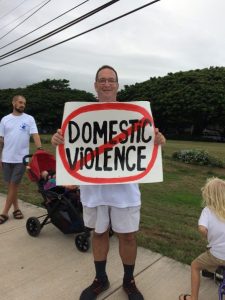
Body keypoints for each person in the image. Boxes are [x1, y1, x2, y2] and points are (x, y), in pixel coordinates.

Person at [51, 65, 166, 300]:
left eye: (110, 80)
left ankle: (129, 280)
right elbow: (71, 146)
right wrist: (58, 140)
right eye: (102, 80)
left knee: (128, 236)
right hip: (94, 190)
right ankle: (100, 279)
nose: (106, 84)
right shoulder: (83, 116)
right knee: (99, 233)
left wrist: (158, 140)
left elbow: (147, 143)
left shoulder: (133, 115)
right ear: (95, 85)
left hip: (125, 189)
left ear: (117, 85)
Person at [179, 177, 225, 300]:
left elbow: (202, 229)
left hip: (216, 255)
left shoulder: (207, 211)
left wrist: (208, 235)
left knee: (195, 266)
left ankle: (193, 298)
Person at [0, 95, 42, 224]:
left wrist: (40, 148)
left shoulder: (29, 119)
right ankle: (16, 209)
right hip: (6, 158)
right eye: (20, 102)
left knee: (13, 185)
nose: (22, 104)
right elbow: (1, 140)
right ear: (13, 103)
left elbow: (35, 134)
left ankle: (4, 213)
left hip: (21, 159)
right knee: (12, 186)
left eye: (24, 103)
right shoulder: (5, 120)